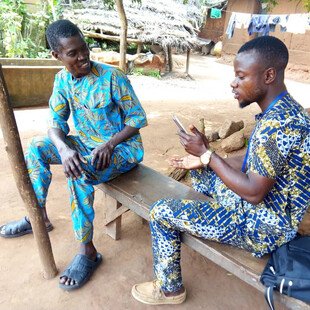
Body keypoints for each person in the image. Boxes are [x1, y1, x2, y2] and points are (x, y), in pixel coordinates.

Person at [131, 36, 310, 305]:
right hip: (270, 213)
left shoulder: (277, 127)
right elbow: (259, 165)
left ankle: (169, 289)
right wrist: (204, 160)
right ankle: (211, 216)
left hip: (264, 228)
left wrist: (207, 154)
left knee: (161, 212)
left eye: (241, 76)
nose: (233, 83)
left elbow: (253, 193)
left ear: (269, 75)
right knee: (204, 172)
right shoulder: (284, 112)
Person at [0, 19, 147, 290]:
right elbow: (55, 123)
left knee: (78, 170)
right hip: (86, 144)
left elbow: (137, 119)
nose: (83, 56)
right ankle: (38, 216)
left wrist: (110, 144)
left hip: (122, 150)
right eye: (73, 53)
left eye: (84, 48)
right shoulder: (62, 80)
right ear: (56, 56)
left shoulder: (112, 77)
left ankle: (88, 251)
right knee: (37, 147)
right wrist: (64, 148)